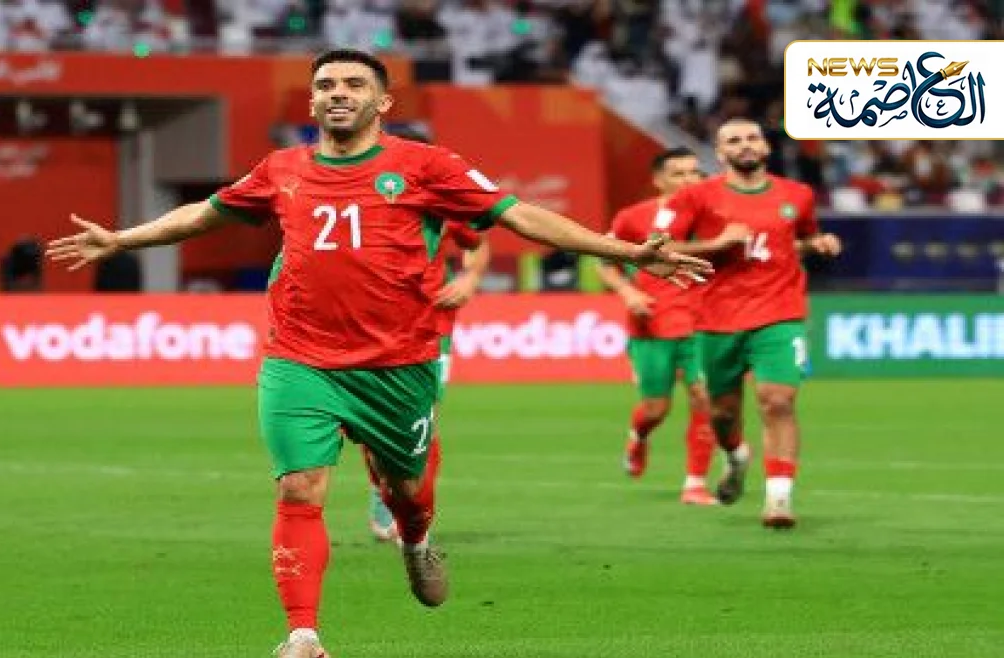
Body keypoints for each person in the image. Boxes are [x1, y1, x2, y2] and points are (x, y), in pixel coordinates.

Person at [47, 49, 712, 658]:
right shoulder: (281, 169)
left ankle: (416, 539)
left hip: (398, 365)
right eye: (325, 85)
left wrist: (625, 251)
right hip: (300, 359)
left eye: (353, 84)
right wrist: (122, 240)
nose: (337, 93)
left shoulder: (427, 166)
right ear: (312, 101)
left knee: (407, 494)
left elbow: (518, 216)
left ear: (382, 101)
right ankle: (303, 634)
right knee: (299, 487)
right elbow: (205, 213)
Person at [664, 118, 842, 529]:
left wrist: (817, 244)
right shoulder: (696, 197)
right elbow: (663, 248)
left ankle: (778, 498)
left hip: (780, 311)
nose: (745, 145)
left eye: (752, 138)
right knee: (723, 413)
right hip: (717, 317)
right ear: (720, 152)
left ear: (766, 147)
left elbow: (799, 239)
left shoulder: (797, 194)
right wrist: (717, 244)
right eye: (733, 140)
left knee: (778, 399)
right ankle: (735, 456)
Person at [363, 129, 492, 544]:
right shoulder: (356, 198)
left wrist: (470, 279)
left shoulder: (438, 195)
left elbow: (476, 241)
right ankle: (383, 490)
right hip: (368, 325)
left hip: (430, 323)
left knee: (421, 416)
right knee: (371, 423)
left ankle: (413, 509)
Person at [599, 147, 732, 506]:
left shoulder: (719, 215)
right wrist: (628, 292)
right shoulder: (633, 218)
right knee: (655, 409)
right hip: (654, 321)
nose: (689, 180)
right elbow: (605, 260)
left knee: (705, 398)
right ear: (658, 180)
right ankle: (639, 436)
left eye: (695, 172)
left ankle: (695, 484)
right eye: (679, 173)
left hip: (705, 321)